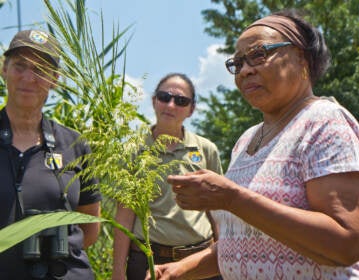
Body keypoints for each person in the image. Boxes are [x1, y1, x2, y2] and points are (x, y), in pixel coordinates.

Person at [146, 9, 359, 280]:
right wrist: (179, 270)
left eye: (259, 54)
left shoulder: (323, 122)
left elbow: (346, 243)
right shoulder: (246, 140)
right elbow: (244, 241)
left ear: (301, 58)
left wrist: (231, 198)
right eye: (238, 63)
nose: (245, 70)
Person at [0, 29, 102, 279]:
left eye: (40, 70)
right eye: (19, 66)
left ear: (55, 79)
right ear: (4, 70)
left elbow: (90, 229)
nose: (28, 77)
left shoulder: (75, 144)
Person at [112, 73, 223, 280]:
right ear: (154, 101)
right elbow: (124, 214)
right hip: (148, 261)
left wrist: (224, 260)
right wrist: (117, 271)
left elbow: (216, 210)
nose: (171, 105)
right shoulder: (133, 151)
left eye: (181, 101)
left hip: (200, 260)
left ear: (191, 109)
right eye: (164, 97)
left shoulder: (206, 149)